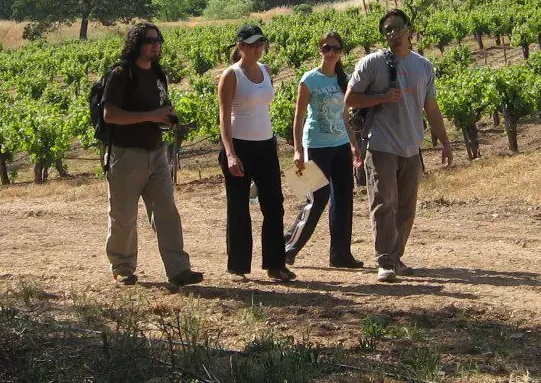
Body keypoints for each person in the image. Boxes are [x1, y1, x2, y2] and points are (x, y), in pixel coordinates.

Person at [345, 9, 453, 283]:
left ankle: (395, 257)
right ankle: (384, 261)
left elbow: (431, 107)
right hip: (381, 145)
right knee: (383, 203)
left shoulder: (423, 66)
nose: (391, 34)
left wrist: (445, 141)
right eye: (386, 30)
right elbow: (350, 99)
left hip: (411, 146)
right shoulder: (371, 63)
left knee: (406, 207)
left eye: (395, 28)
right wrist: (380, 97)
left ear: (409, 30)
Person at [102, 23, 203, 287]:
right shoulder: (121, 74)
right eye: (149, 40)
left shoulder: (157, 73)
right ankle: (122, 267)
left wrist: (166, 118)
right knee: (124, 215)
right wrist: (150, 116)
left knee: (167, 211)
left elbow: (158, 108)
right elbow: (110, 115)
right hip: (126, 155)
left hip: (156, 152)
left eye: (158, 40)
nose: (155, 44)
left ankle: (179, 269)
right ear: (136, 43)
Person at [218, 23, 295, 282]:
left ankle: (275, 265)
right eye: (252, 44)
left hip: (265, 145)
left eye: (260, 43)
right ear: (240, 46)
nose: (258, 48)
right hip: (240, 146)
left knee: (274, 205)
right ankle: (238, 266)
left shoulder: (266, 71)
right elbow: (224, 117)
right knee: (239, 208)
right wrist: (230, 154)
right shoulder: (231, 75)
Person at [284, 32, 364, 269]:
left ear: (341, 52)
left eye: (336, 48)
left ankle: (340, 255)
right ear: (320, 50)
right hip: (315, 146)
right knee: (316, 198)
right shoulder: (309, 79)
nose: (331, 52)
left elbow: (345, 117)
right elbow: (298, 117)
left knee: (343, 200)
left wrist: (353, 143)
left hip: (340, 146)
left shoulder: (343, 80)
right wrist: (298, 150)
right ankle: (288, 247)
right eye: (327, 48)